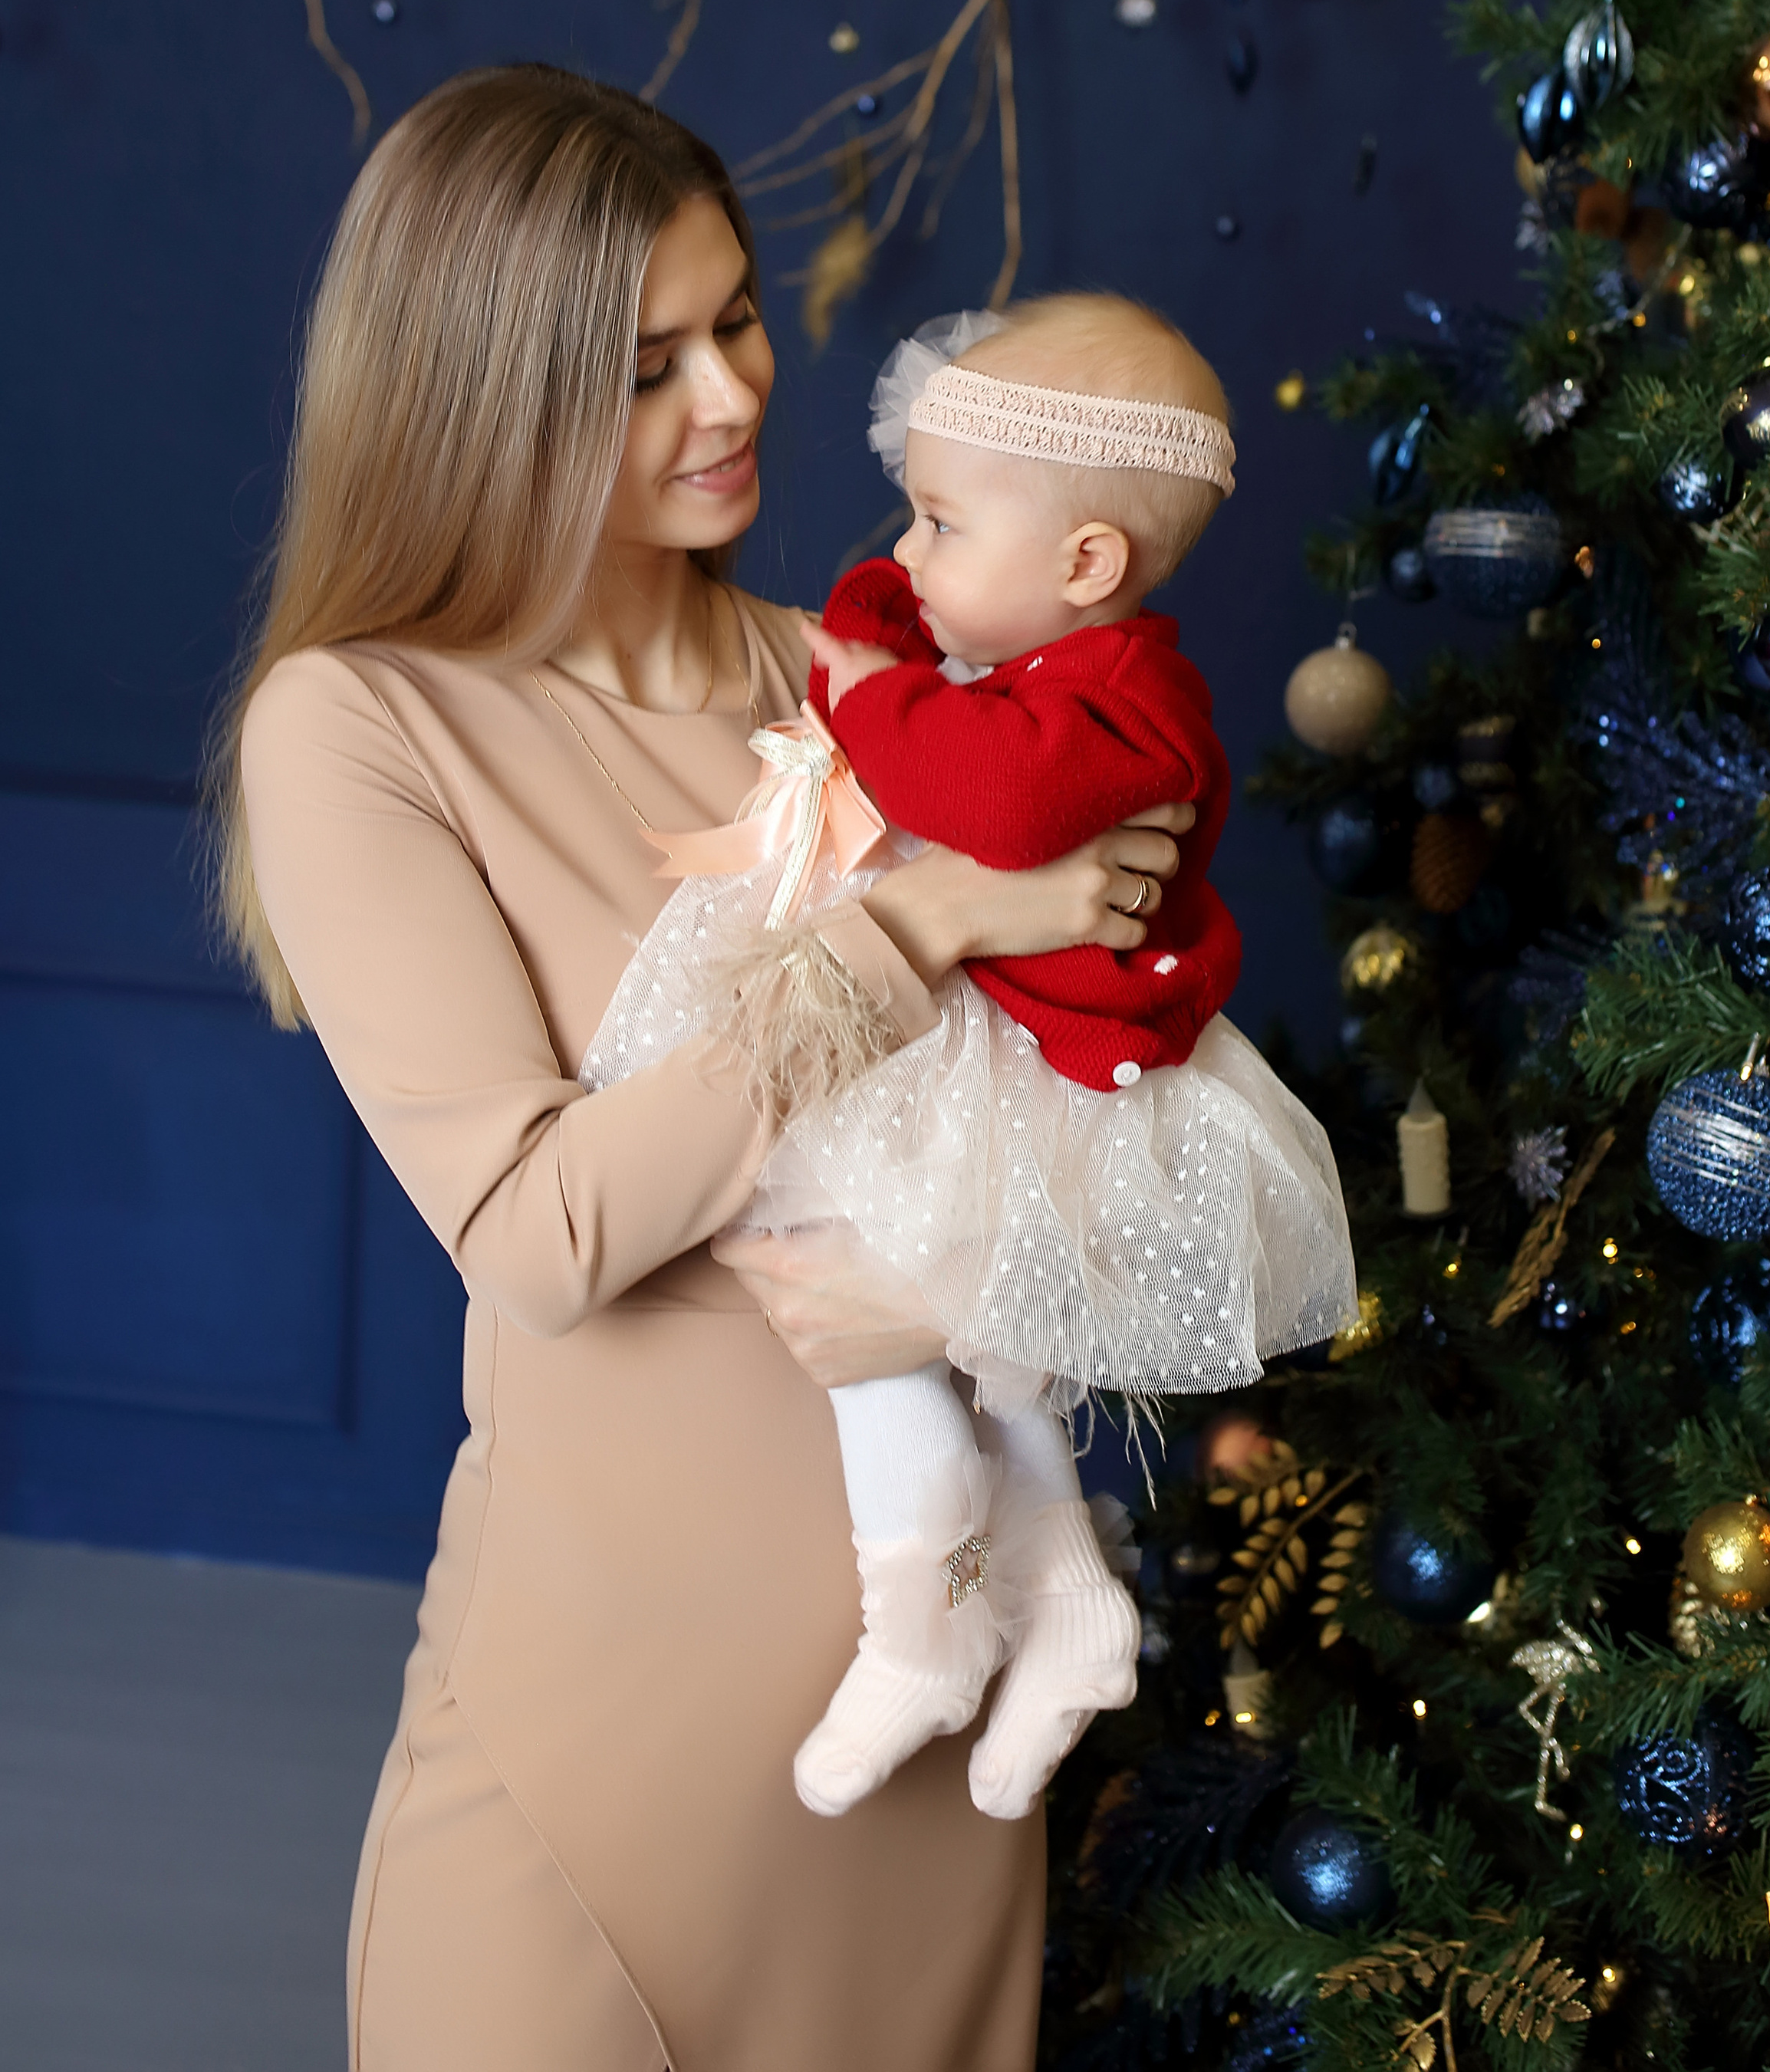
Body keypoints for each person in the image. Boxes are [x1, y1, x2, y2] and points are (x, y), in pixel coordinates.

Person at [212, 66, 1196, 2072]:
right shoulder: (358, 729)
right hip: (594, 1767)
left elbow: (1102, 1105)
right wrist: (919, 925)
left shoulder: (874, 683)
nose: (734, 398)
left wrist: (964, 1285)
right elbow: (548, 1231)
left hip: (923, 1765)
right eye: (642, 363)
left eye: (734, 321)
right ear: (485, 392)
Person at [578, 297, 1355, 1831]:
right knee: (976, 1377)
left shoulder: (1126, 707)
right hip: (980, 1050)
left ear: (1083, 567)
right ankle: (1064, 1604)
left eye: (939, 521)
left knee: (882, 1335)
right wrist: (892, 611)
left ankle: (919, 1634)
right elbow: (889, 639)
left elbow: (984, 801)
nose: (907, 556)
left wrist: (867, 681)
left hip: (1062, 1076)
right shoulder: (1020, 646)